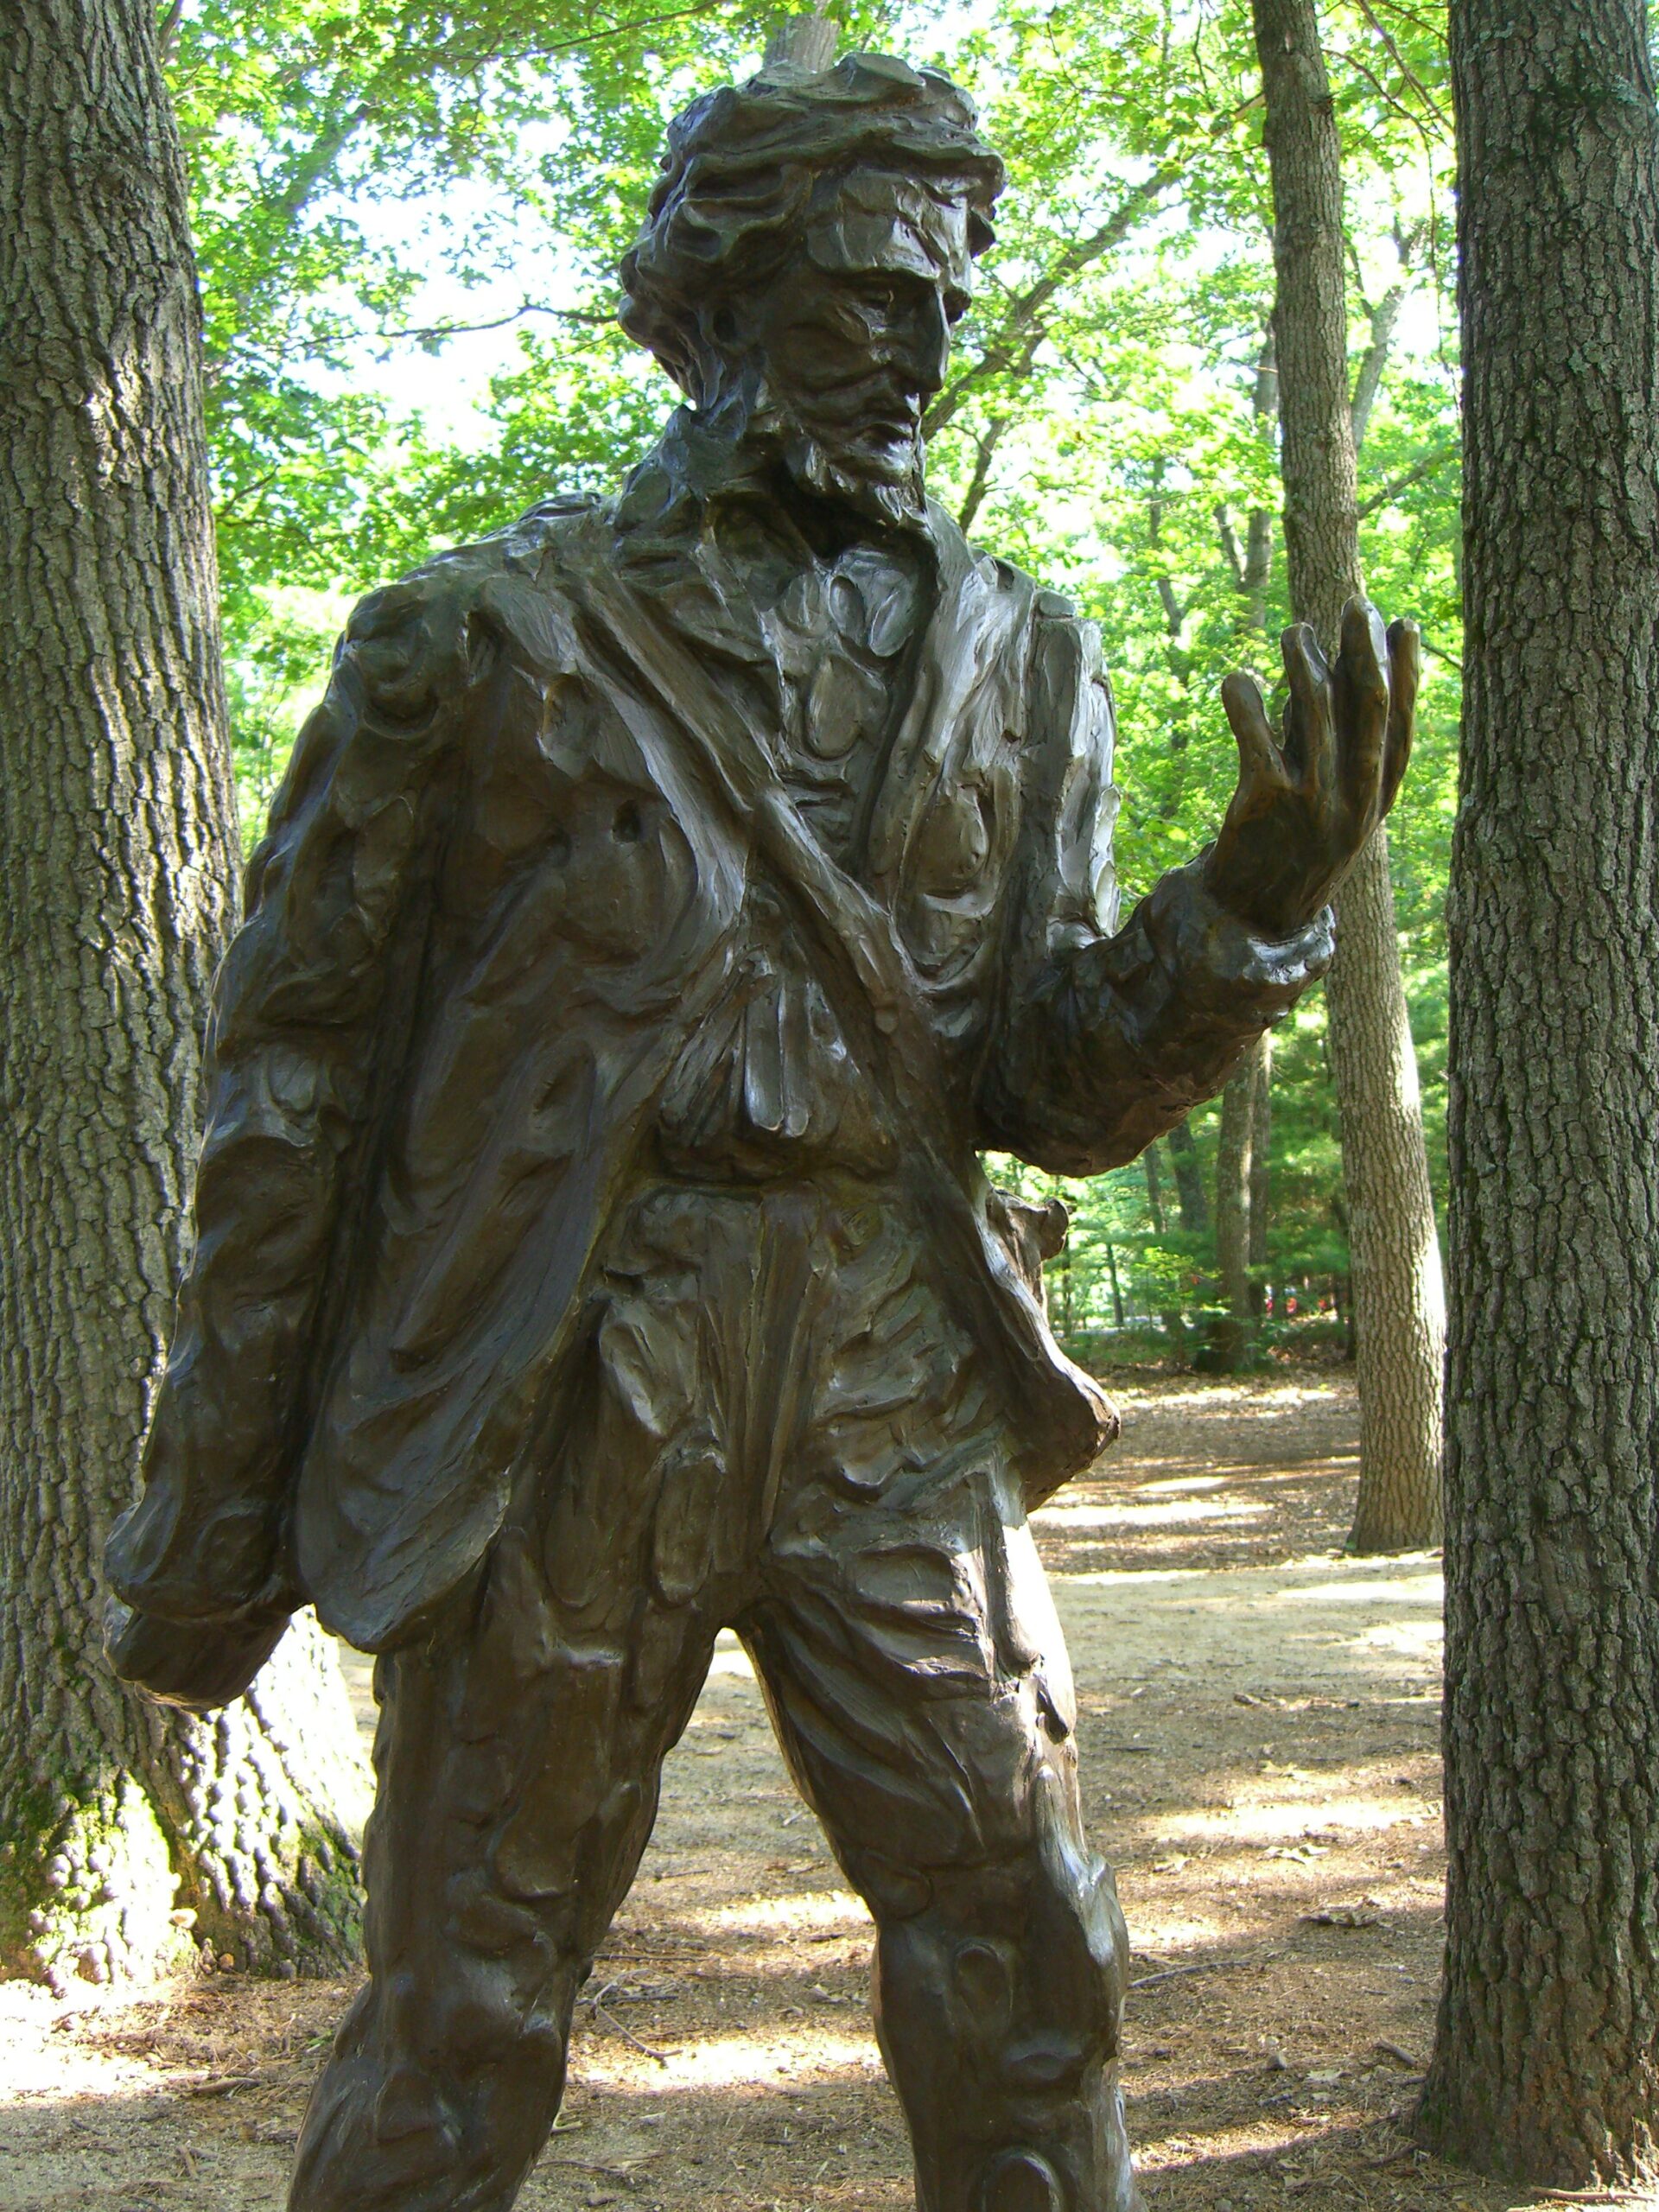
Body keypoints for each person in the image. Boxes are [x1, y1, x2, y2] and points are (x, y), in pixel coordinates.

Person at [105, 44, 1414, 2212]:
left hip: (894, 1367)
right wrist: (204, 1527)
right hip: (577, 1371)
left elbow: (1051, 1082)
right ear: (713, 302)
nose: (918, 338)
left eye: (941, 296)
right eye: (862, 290)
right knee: (467, 1998)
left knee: (1027, 1953)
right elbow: (289, 1103)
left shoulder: (1026, 659)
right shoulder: (475, 646)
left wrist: (1243, 907)